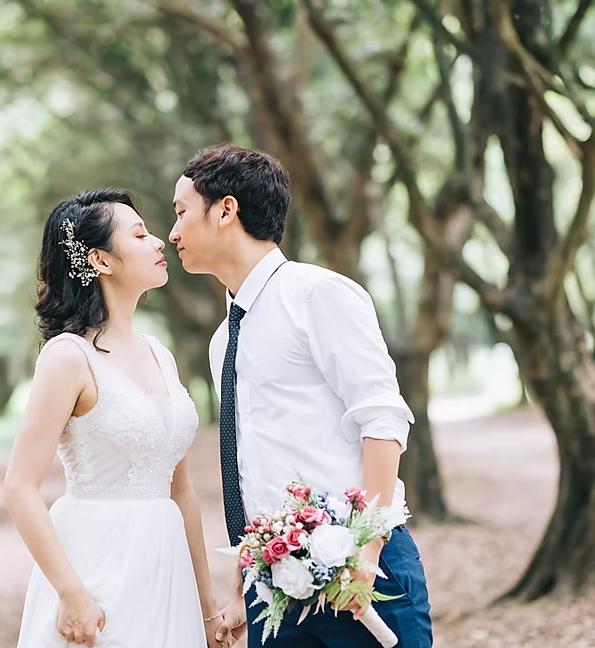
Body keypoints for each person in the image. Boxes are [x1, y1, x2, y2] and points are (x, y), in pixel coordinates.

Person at [169, 145, 433, 647]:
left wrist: (366, 552)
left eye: (182, 212)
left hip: (360, 577)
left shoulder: (317, 294)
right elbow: (250, 469)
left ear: (226, 210)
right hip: (273, 591)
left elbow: (382, 419)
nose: (174, 232)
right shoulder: (224, 338)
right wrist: (241, 589)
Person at [4, 189, 223, 647]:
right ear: (101, 261)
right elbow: (19, 487)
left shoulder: (160, 356)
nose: (160, 241)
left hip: (166, 574)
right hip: (96, 565)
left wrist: (205, 609)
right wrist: (71, 592)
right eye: (140, 234)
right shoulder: (68, 357)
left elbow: (182, 494)